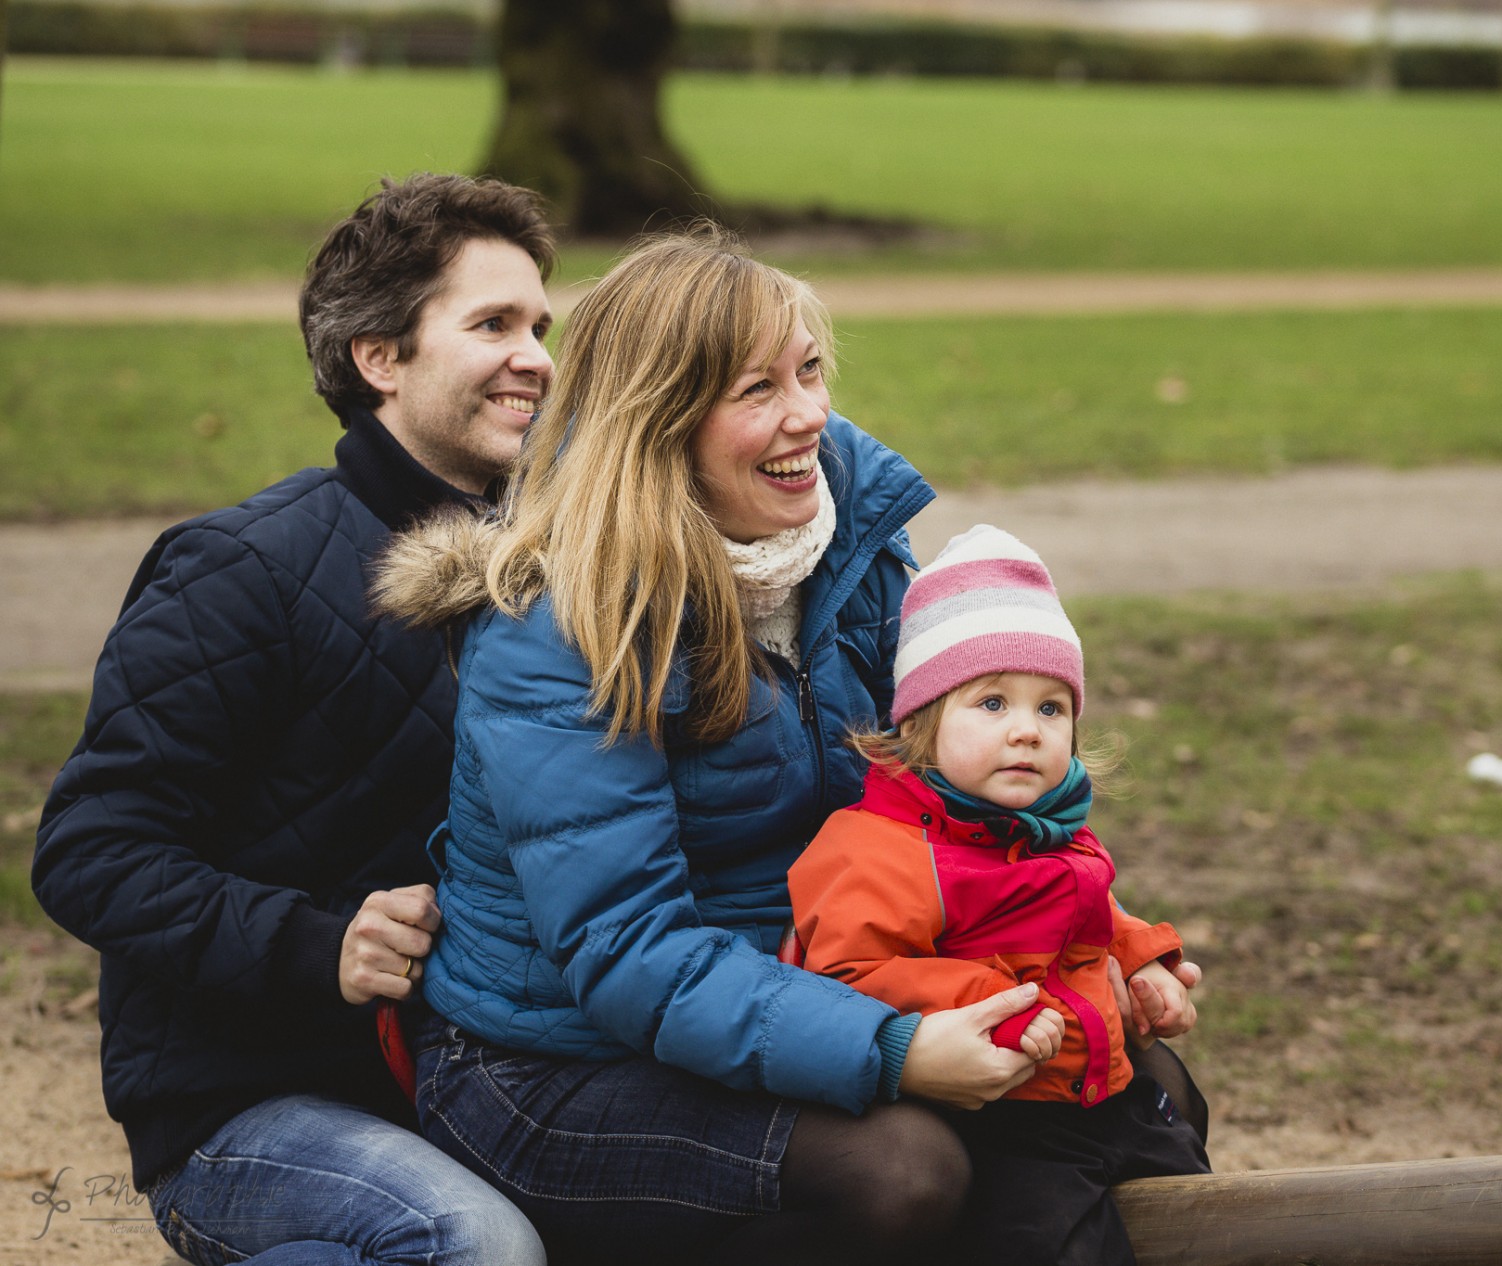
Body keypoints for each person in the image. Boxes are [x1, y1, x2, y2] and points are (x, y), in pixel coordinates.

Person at [371, 227, 1097, 1266]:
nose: (808, 414)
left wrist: (1083, 951)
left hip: (813, 988)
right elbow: (624, 951)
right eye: (757, 390)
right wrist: (891, 1048)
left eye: (809, 371)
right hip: (547, 1065)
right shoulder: (560, 627)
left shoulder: (852, 549)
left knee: (1122, 1083)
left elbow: (960, 801)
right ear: (660, 423)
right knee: (901, 1170)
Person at [32, 173, 554, 1265]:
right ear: (380, 357)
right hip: (244, 1108)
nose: (538, 356)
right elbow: (90, 852)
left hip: (490, 1076)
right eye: (494, 323)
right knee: (473, 1245)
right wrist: (320, 946)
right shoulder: (240, 570)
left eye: (540, 325)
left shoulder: (554, 570)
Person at [785, 522, 1211, 1266]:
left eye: (1051, 709)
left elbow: (1091, 913)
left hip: (1091, 1083)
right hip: (1002, 1114)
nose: (1027, 732)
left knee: (1191, 1182)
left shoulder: (1045, 825)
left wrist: (1142, 961)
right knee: (1052, 1241)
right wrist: (989, 998)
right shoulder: (882, 850)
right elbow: (850, 974)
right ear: (921, 722)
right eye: (992, 704)